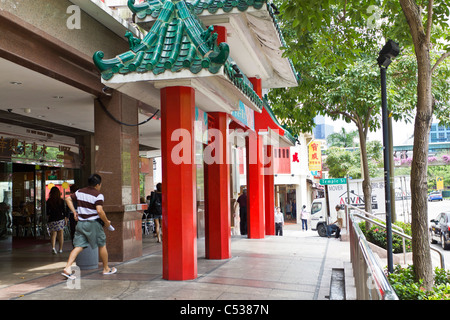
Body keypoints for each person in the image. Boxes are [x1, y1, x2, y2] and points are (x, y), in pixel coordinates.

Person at [62, 174, 116, 279]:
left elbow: (68, 199)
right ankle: (106, 268)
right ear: (97, 184)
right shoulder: (98, 195)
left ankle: (67, 267)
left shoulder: (79, 192)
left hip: (81, 224)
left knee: (78, 246)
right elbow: (100, 211)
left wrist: (74, 212)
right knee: (102, 244)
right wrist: (106, 222)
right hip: (93, 224)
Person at [47, 187, 67, 254]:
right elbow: (64, 211)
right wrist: (65, 218)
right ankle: (60, 249)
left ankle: (53, 247)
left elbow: (47, 212)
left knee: (53, 234)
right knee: (60, 234)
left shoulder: (49, 201)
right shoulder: (61, 201)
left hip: (52, 219)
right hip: (60, 219)